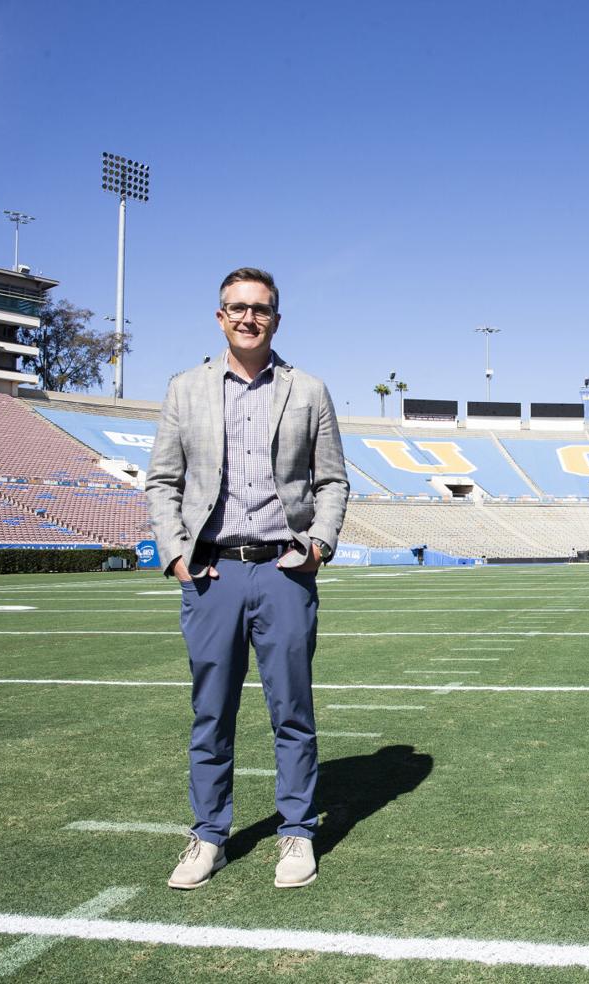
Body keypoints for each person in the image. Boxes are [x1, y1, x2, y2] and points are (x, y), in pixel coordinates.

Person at [146, 267, 348, 890]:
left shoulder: (308, 390)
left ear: (276, 319)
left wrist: (317, 546)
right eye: (236, 308)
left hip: (283, 571)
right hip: (211, 574)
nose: (247, 318)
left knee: (292, 710)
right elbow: (163, 483)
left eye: (259, 309)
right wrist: (177, 555)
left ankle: (296, 833)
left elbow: (333, 480)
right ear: (219, 316)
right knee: (211, 713)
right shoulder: (185, 389)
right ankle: (208, 836)